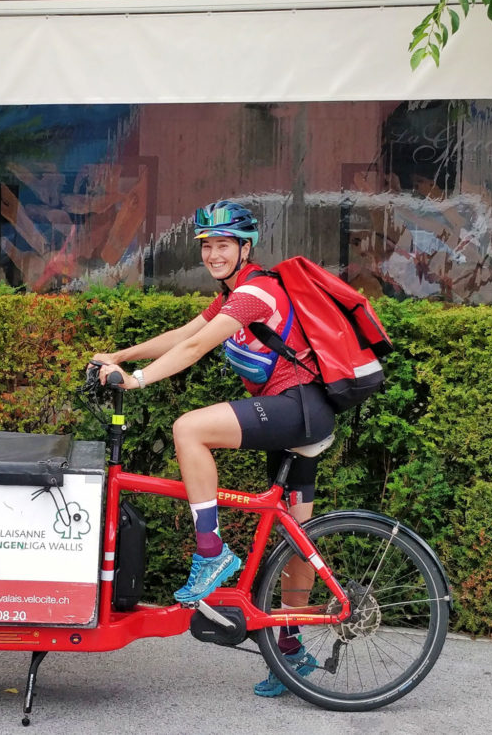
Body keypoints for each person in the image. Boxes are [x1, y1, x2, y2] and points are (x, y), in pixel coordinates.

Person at [91, 200, 336, 698]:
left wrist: (135, 380)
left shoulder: (256, 292)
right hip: (296, 414)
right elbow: (184, 333)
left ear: (245, 247)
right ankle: (292, 652)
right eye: (206, 246)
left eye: (223, 245)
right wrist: (119, 355)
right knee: (296, 539)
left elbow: (195, 348)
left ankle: (212, 552)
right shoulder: (232, 294)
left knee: (189, 429)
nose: (213, 255)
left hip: (298, 409)